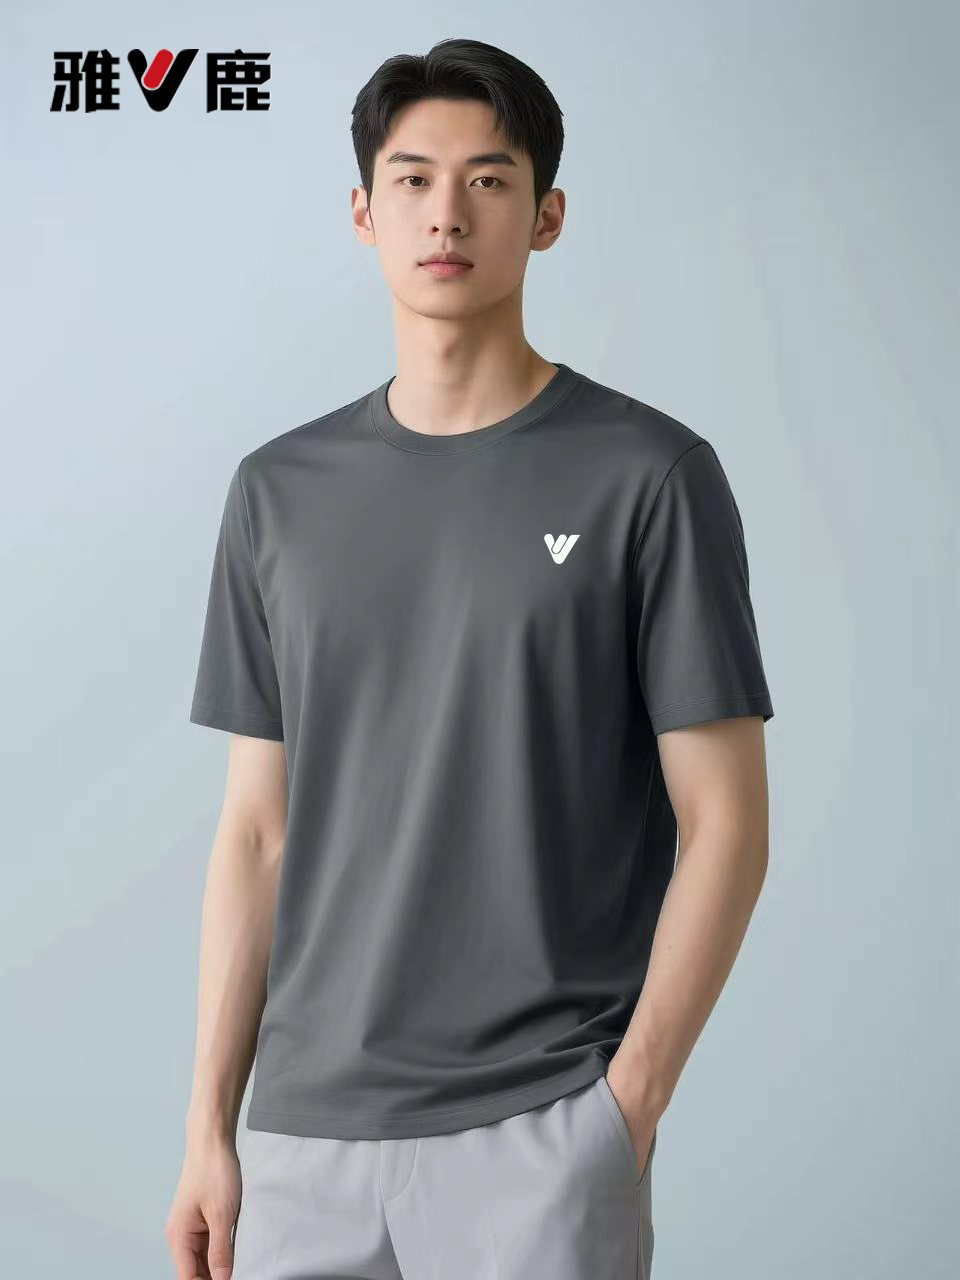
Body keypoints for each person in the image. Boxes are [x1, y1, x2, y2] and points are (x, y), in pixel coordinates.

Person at [165, 35, 774, 1280]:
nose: (447, 213)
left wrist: (626, 1106)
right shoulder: (277, 493)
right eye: (413, 179)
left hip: (539, 1126)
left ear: (547, 216)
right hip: (300, 1139)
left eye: (490, 180)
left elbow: (726, 820)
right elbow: (257, 832)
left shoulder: (649, 476)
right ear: (364, 212)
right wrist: (208, 1129)